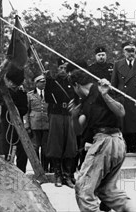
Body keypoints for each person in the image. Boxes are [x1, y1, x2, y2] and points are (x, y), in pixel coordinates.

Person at [69, 70, 134, 212]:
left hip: (107, 141)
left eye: (74, 89)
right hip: (110, 142)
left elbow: (121, 111)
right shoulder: (85, 101)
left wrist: (105, 95)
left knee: (83, 187)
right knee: (106, 191)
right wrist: (74, 115)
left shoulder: (103, 88)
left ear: (77, 85)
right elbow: (80, 127)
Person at [45, 58, 78, 187]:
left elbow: (77, 97)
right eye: (61, 68)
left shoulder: (71, 82)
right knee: (56, 145)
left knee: (70, 145)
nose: (63, 71)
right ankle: (58, 175)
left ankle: (68, 175)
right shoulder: (53, 82)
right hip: (56, 114)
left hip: (69, 115)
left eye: (65, 68)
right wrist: (48, 81)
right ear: (57, 69)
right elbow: (47, 97)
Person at [111, 42, 136, 154]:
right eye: (128, 51)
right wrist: (115, 98)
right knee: (124, 123)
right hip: (123, 97)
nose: (130, 53)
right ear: (124, 52)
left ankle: (135, 144)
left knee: (135, 122)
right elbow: (114, 83)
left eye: (132, 51)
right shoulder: (117, 64)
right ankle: (125, 145)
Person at [0, 65, 29, 173]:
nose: (11, 84)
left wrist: (15, 109)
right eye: (10, 81)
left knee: (22, 152)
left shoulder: (22, 93)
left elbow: (25, 109)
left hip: (19, 126)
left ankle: (21, 173)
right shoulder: (3, 92)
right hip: (6, 126)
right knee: (5, 152)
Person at [27, 75, 50, 172]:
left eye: (44, 81)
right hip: (34, 124)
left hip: (46, 124)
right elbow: (26, 111)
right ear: (36, 83)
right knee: (35, 147)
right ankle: (37, 169)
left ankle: (45, 169)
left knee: (45, 148)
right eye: (41, 81)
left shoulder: (49, 94)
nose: (44, 83)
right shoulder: (30, 95)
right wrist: (27, 125)